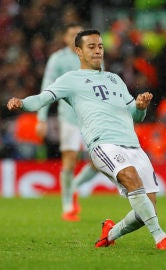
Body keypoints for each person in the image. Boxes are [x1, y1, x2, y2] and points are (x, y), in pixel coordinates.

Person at [7, 29, 166, 250]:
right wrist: (21, 103)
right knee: (130, 177)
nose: (98, 51)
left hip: (133, 145)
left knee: (147, 209)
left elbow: (134, 115)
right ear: (78, 51)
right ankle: (161, 238)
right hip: (103, 144)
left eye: (100, 46)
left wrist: (140, 107)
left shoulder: (114, 79)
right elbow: (42, 99)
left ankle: (110, 233)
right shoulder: (70, 80)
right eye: (91, 47)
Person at [36, 23, 99, 222]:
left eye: (78, 34)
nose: (75, 37)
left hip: (91, 117)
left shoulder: (92, 56)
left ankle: (73, 187)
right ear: (64, 38)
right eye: (71, 34)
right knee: (70, 161)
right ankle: (67, 207)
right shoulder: (58, 59)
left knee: (99, 162)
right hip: (69, 117)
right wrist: (41, 118)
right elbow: (47, 88)